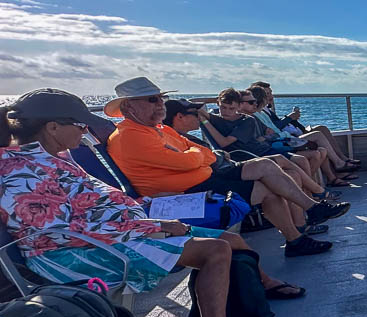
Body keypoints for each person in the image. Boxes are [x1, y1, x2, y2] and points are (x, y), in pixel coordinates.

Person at [0, 89, 278, 317]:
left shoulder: (51, 157)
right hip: (74, 255)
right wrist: (153, 227)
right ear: (53, 127)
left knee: (228, 239)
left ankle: (261, 291)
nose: (85, 131)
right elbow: (58, 230)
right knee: (215, 250)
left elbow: (89, 207)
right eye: (80, 125)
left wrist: (145, 216)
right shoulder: (21, 172)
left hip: (112, 236)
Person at [105, 78, 345, 256]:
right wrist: (196, 156)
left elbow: (201, 152)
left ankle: (307, 219)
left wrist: (195, 156)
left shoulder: (159, 129)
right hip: (188, 192)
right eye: (152, 99)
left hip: (206, 176)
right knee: (270, 186)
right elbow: (188, 159)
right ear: (128, 108)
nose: (160, 104)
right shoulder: (130, 136)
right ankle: (301, 229)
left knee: (265, 166)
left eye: (161, 98)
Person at [204, 88, 331, 191]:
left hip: (264, 149)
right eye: (223, 107)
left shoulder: (246, 120)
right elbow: (223, 141)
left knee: (306, 156)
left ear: (238, 106)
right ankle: (316, 193)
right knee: (300, 162)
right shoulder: (222, 119)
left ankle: (313, 193)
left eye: (231, 108)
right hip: (254, 154)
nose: (226, 111)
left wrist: (204, 119)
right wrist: (203, 118)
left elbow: (271, 132)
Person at [246, 85, 357, 178]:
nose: (270, 96)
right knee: (318, 138)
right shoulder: (256, 115)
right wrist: (289, 119)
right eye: (267, 94)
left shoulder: (264, 112)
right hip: (282, 141)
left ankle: (336, 169)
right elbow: (273, 131)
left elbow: (273, 129)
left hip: (285, 137)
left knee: (321, 141)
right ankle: (337, 167)